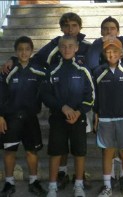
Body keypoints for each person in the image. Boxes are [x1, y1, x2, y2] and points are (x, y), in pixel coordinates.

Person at [1, 12, 92, 190]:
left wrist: (85, 108)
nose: (70, 29)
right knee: (60, 145)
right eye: (66, 25)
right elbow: (31, 60)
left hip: (81, 106)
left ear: (79, 28)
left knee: (79, 146)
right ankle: (62, 173)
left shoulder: (88, 47)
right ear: (60, 28)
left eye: (74, 25)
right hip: (58, 108)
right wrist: (13, 60)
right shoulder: (54, 46)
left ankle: (80, 177)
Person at [86, 16, 123, 190]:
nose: (112, 54)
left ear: (121, 53)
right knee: (107, 152)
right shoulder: (99, 72)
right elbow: (96, 96)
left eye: (115, 51)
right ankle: (107, 186)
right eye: (108, 52)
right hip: (105, 119)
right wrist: (96, 115)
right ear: (104, 53)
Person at [40, 35, 94, 197]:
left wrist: (78, 112)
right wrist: (62, 107)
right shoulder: (52, 70)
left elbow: (90, 97)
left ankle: (78, 185)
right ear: (58, 48)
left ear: (77, 48)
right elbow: (46, 95)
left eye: (71, 46)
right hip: (58, 118)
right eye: (63, 46)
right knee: (56, 152)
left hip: (79, 118)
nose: (67, 49)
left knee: (79, 152)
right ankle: (52, 187)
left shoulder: (84, 70)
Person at [0, 36, 47, 197]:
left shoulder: (38, 70)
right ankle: (9, 182)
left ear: (31, 51)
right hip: (11, 118)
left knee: (31, 151)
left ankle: (34, 181)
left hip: (30, 117)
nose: (23, 52)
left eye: (27, 49)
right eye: (20, 50)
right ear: (15, 51)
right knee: (9, 151)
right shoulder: (7, 70)